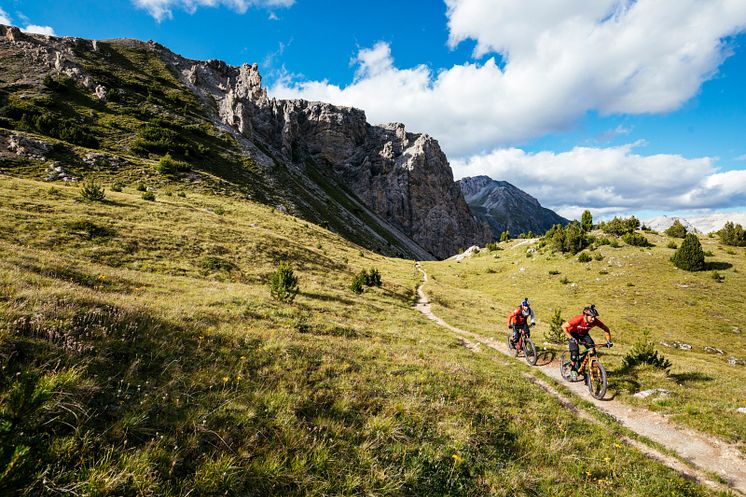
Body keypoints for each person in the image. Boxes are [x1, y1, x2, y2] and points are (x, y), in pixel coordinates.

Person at [561, 304, 613, 381]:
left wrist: (609, 341)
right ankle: (572, 370)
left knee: (592, 350)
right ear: (585, 315)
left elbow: (606, 329)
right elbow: (563, 326)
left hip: (584, 334)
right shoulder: (578, 319)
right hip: (573, 334)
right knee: (575, 351)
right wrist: (571, 338)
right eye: (591, 317)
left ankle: (582, 364)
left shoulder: (595, 321)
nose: (593, 319)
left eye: (594, 317)